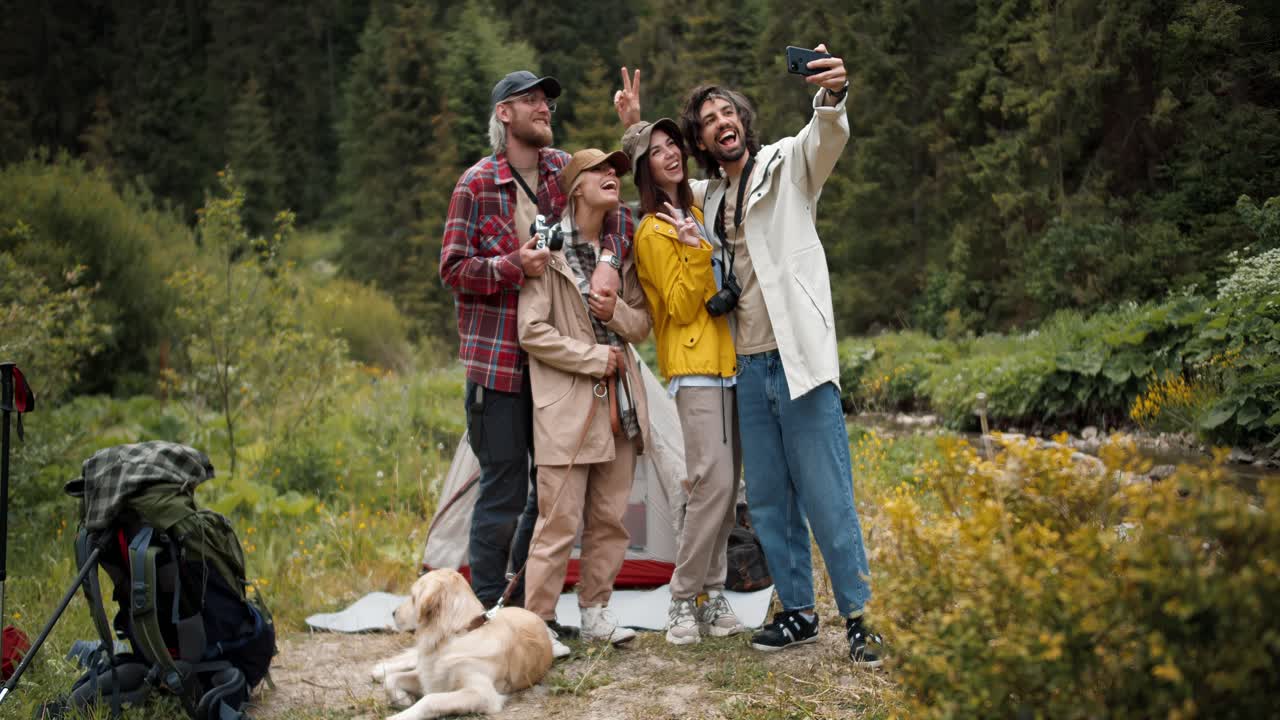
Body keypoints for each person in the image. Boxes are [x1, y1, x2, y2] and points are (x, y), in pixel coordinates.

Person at [615, 47, 884, 666]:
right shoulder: (707, 199)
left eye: (726, 111)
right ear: (703, 140)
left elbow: (825, 138)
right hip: (746, 367)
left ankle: (859, 617)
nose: (719, 122)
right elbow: (664, 172)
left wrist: (833, 94)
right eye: (707, 119)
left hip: (798, 361)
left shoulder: (787, 164)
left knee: (826, 491)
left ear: (743, 119)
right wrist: (634, 127)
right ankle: (797, 611)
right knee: (765, 497)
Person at [440, 71, 628, 660]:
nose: (545, 107)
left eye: (548, 98)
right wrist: (509, 265)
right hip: (497, 368)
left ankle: (525, 616)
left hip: (558, 371)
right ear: (504, 114)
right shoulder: (476, 184)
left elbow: (612, 208)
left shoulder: (560, 168)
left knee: (544, 501)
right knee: (501, 490)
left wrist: (607, 260)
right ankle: (485, 612)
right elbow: (452, 269)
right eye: (532, 101)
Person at [517, 148, 652, 651]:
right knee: (557, 522)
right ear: (576, 187)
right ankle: (538, 625)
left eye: (615, 170)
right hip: (567, 408)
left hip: (623, 405)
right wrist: (591, 357)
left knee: (611, 518)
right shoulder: (544, 250)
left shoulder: (622, 252)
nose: (612, 176)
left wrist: (615, 312)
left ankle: (596, 611)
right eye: (600, 170)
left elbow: (642, 325)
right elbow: (531, 331)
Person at [620, 114, 746, 645]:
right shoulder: (652, 229)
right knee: (709, 485)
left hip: (730, 362)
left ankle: (712, 596)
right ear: (645, 169)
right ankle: (681, 597)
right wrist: (695, 251)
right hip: (694, 368)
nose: (671, 153)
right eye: (657, 150)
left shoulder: (697, 206)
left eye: (674, 145)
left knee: (726, 487)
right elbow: (677, 302)